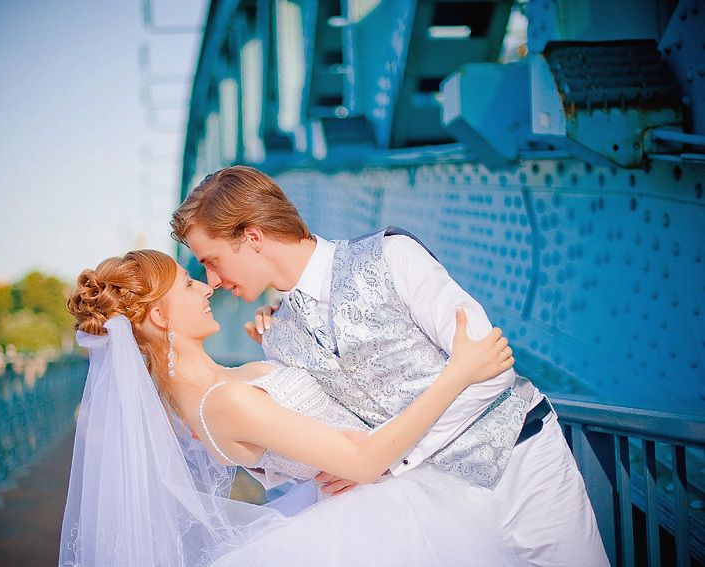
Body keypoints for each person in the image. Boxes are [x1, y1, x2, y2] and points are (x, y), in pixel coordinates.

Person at [170, 165, 609, 566]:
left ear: (252, 237)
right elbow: (322, 432)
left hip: (523, 463)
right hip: (440, 510)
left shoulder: (392, 255)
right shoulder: (277, 337)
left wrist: (389, 463)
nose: (212, 281)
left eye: (211, 261)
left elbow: (490, 368)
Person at [59, 249, 521, 566]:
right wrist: (458, 372)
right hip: (381, 522)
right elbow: (362, 461)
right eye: (188, 283)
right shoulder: (223, 401)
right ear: (161, 317)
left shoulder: (222, 388)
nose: (205, 287)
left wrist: (281, 340)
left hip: (378, 500)